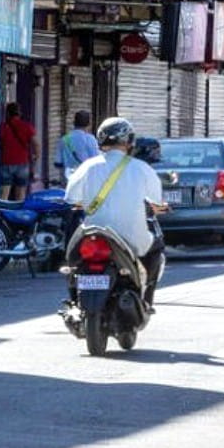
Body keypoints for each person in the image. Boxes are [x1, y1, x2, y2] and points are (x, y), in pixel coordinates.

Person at [64, 116, 167, 306]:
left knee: (72, 260)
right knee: (157, 248)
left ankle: (73, 300)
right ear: (129, 141)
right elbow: (157, 201)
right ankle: (147, 300)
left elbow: (71, 197)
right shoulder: (141, 168)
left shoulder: (87, 167)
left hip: (93, 233)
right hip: (132, 238)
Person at [0, 101, 40, 201]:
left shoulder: (2, 127)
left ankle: (1, 214)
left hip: (6, 163)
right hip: (22, 163)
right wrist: (36, 156)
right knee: (20, 195)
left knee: (4, 194)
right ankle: (18, 215)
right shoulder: (27, 127)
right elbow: (36, 143)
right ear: (19, 113)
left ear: (7, 113)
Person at [53, 110, 100, 185]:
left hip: (69, 182)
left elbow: (57, 163)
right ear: (89, 124)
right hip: (86, 182)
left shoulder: (64, 139)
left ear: (74, 123)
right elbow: (97, 161)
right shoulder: (90, 139)